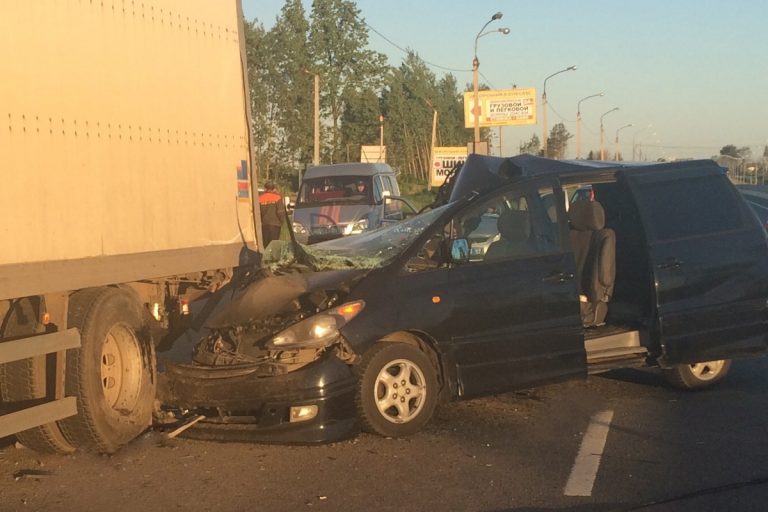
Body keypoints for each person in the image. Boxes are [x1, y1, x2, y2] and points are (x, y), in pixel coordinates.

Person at [259, 181, 285, 248]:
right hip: (275, 225)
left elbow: (258, 212)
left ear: (265, 188)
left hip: (264, 225)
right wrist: (282, 221)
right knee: (274, 245)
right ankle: (273, 258)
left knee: (266, 245)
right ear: (273, 189)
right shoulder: (277, 198)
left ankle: (267, 257)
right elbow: (280, 212)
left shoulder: (260, 198)